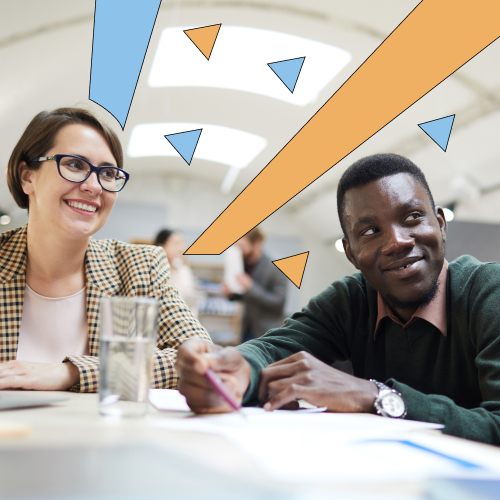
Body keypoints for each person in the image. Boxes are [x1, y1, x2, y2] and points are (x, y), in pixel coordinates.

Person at [175, 153, 500, 445]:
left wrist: (376, 396)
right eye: (370, 231)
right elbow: (273, 349)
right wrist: (233, 371)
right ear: (350, 252)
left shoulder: (489, 292)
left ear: (441, 224)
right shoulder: (351, 300)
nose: (397, 242)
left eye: (413, 216)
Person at [0, 107, 211, 393]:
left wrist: (70, 372)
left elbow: (200, 357)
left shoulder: (139, 266)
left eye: (108, 173)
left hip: (102, 436)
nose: (93, 186)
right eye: (74, 165)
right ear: (27, 177)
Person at [224, 228, 288, 342]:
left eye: (243, 246)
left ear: (257, 243)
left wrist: (250, 287)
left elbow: (278, 301)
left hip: (267, 332)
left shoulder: (276, 266)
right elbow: (248, 297)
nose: (240, 250)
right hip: (246, 329)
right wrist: (231, 294)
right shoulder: (244, 263)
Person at [154, 229, 200, 312]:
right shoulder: (154, 273)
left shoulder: (184, 271)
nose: (181, 248)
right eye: (176, 243)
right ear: (161, 247)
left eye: (182, 243)